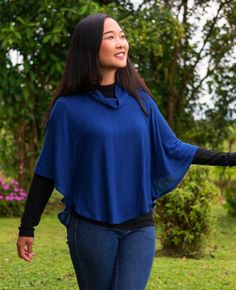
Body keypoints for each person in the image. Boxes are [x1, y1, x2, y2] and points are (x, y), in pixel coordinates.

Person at [16, 13, 236, 290]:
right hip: (91, 225)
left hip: (140, 225)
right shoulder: (68, 108)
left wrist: (230, 160)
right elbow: (47, 169)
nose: (121, 43)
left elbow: (175, 148)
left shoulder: (140, 101)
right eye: (111, 37)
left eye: (122, 35)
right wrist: (27, 227)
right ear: (89, 47)